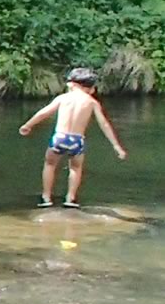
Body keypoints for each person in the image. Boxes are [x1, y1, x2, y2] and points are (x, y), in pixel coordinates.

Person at [18, 68, 127, 208]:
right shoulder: (92, 102)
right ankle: (70, 198)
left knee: (50, 165)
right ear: (91, 88)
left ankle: (46, 197)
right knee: (76, 168)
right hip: (77, 140)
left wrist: (28, 125)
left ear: (73, 84)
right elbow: (104, 124)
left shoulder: (63, 98)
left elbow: (43, 113)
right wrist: (116, 146)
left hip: (60, 137)